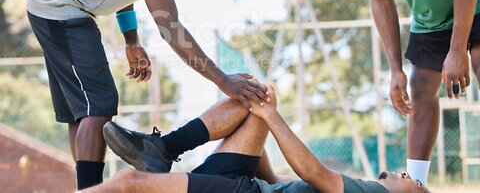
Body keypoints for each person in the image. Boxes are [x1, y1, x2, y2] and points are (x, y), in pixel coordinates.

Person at [26, 0, 268, 189]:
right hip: (61, 8)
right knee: (98, 106)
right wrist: (223, 80)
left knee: (83, 111)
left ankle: (87, 187)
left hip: (51, 8)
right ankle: (91, 190)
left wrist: (132, 39)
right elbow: (170, 28)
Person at [84, 83, 431, 193]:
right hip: (250, 184)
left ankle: (162, 150)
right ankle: (163, 148)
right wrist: (258, 133)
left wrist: (271, 118)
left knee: (129, 182)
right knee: (255, 93)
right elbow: (281, 179)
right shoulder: (361, 188)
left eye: (415, 182)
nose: (406, 173)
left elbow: (314, 173)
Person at [347, 0, 480, 184]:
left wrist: (456, 49)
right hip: (431, 15)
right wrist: (395, 69)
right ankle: (415, 186)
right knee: (419, 88)